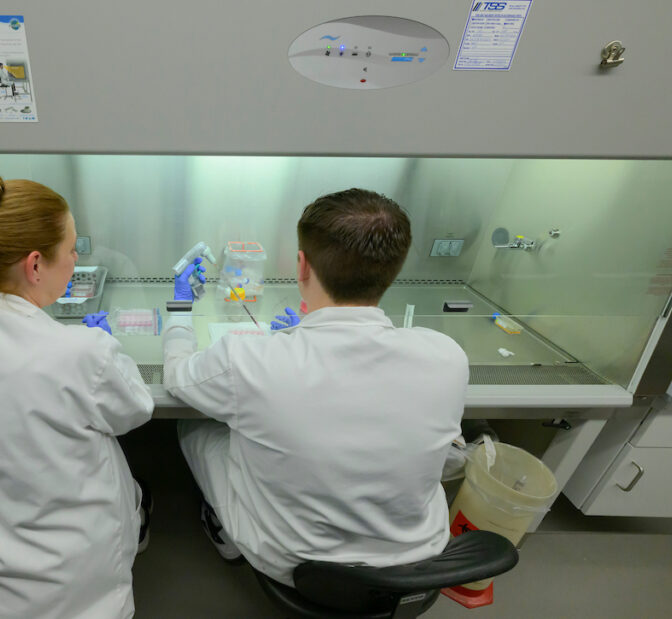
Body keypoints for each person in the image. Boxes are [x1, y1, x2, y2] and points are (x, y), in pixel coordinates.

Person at [163, 188, 468, 587]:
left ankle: (228, 535)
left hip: (292, 563)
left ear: (301, 266)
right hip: (416, 556)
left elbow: (177, 376)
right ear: (394, 269)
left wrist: (180, 308)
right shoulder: (446, 357)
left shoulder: (248, 359)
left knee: (197, 428)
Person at [0, 174, 154, 618]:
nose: (77, 259)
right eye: (73, 248)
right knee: (131, 487)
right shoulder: (79, 352)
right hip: (63, 598)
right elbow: (137, 409)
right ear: (35, 265)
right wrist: (104, 351)